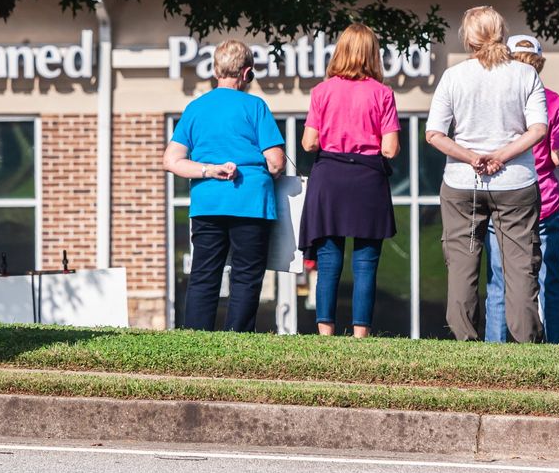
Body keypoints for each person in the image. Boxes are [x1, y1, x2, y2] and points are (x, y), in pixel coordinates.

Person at [426, 7, 547, 343]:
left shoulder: (454, 76)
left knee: (463, 266)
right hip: (516, 183)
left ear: (468, 38)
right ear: (502, 33)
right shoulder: (525, 75)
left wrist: (472, 157)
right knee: (521, 266)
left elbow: (434, 134)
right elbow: (539, 128)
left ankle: (466, 343)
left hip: (463, 183)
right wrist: (502, 156)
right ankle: (527, 345)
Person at [163, 39, 285, 332]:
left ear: (216, 70)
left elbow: (172, 160)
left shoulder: (195, 108)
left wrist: (208, 170)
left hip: (208, 204)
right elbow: (277, 163)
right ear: (247, 73)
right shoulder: (256, 106)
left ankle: (196, 339)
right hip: (251, 204)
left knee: (204, 275)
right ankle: (238, 340)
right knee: (246, 275)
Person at [298, 24, 400, 338]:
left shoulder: (322, 91)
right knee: (366, 262)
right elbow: (390, 149)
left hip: (329, 178)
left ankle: (325, 332)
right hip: (368, 180)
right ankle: (360, 335)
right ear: (373, 54)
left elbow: (308, 143)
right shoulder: (383, 94)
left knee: (328, 260)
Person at [484, 35, 559, 343]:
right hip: (543, 200)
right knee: (549, 278)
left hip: (503, 198)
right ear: (539, 63)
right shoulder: (552, 100)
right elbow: (556, 156)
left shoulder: (496, 97)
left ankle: (495, 348)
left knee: (500, 278)